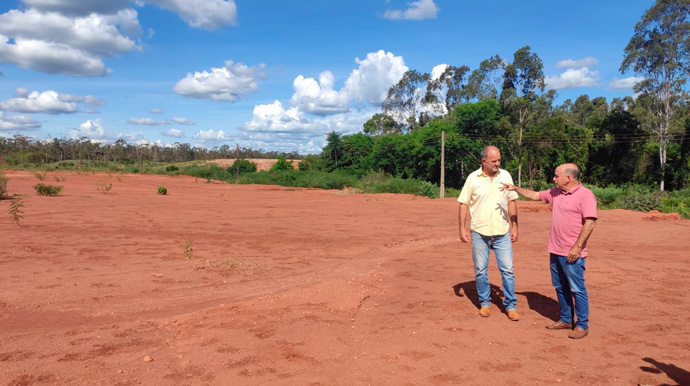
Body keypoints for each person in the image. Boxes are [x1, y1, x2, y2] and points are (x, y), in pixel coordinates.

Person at [501, 163, 597, 339]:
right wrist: (515, 188)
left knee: (577, 289)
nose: (554, 178)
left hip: (572, 253)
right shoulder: (555, 192)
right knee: (560, 286)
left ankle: (582, 325)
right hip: (555, 250)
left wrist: (577, 247)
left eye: (556, 175)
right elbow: (535, 195)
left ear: (568, 178)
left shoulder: (586, 195)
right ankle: (567, 319)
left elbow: (590, 222)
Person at [458, 145, 520, 321]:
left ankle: (511, 305)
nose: (497, 164)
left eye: (499, 160)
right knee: (480, 270)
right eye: (494, 161)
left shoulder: (506, 176)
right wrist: (462, 228)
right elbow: (463, 203)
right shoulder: (472, 179)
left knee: (508, 270)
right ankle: (485, 303)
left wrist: (514, 227)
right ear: (483, 161)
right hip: (479, 232)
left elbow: (512, 202)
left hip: (502, 232)